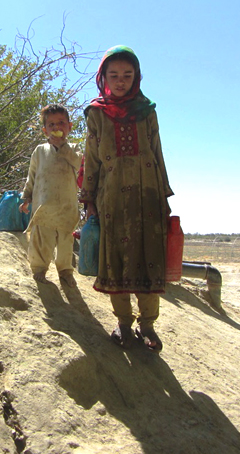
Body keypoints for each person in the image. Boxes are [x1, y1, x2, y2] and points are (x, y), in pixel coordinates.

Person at [79, 46, 174, 352]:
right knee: (115, 262)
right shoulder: (96, 113)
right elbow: (91, 158)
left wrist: (164, 194)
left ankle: (147, 326)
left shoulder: (148, 111)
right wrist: (89, 198)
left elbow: (157, 152)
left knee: (149, 261)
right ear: (103, 77)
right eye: (114, 75)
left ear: (137, 78)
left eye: (127, 75)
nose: (120, 81)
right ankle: (122, 324)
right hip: (112, 198)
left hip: (148, 196)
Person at [19, 104, 82, 287]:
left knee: (65, 242)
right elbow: (32, 175)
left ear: (69, 126)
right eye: (51, 124)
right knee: (41, 240)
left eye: (61, 123)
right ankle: (39, 268)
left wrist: (63, 148)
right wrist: (26, 197)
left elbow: (80, 166)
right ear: (45, 129)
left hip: (66, 207)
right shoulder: (39, 151)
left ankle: (65, 271)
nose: (56, 128)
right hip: (43, 206)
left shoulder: (74, 149)